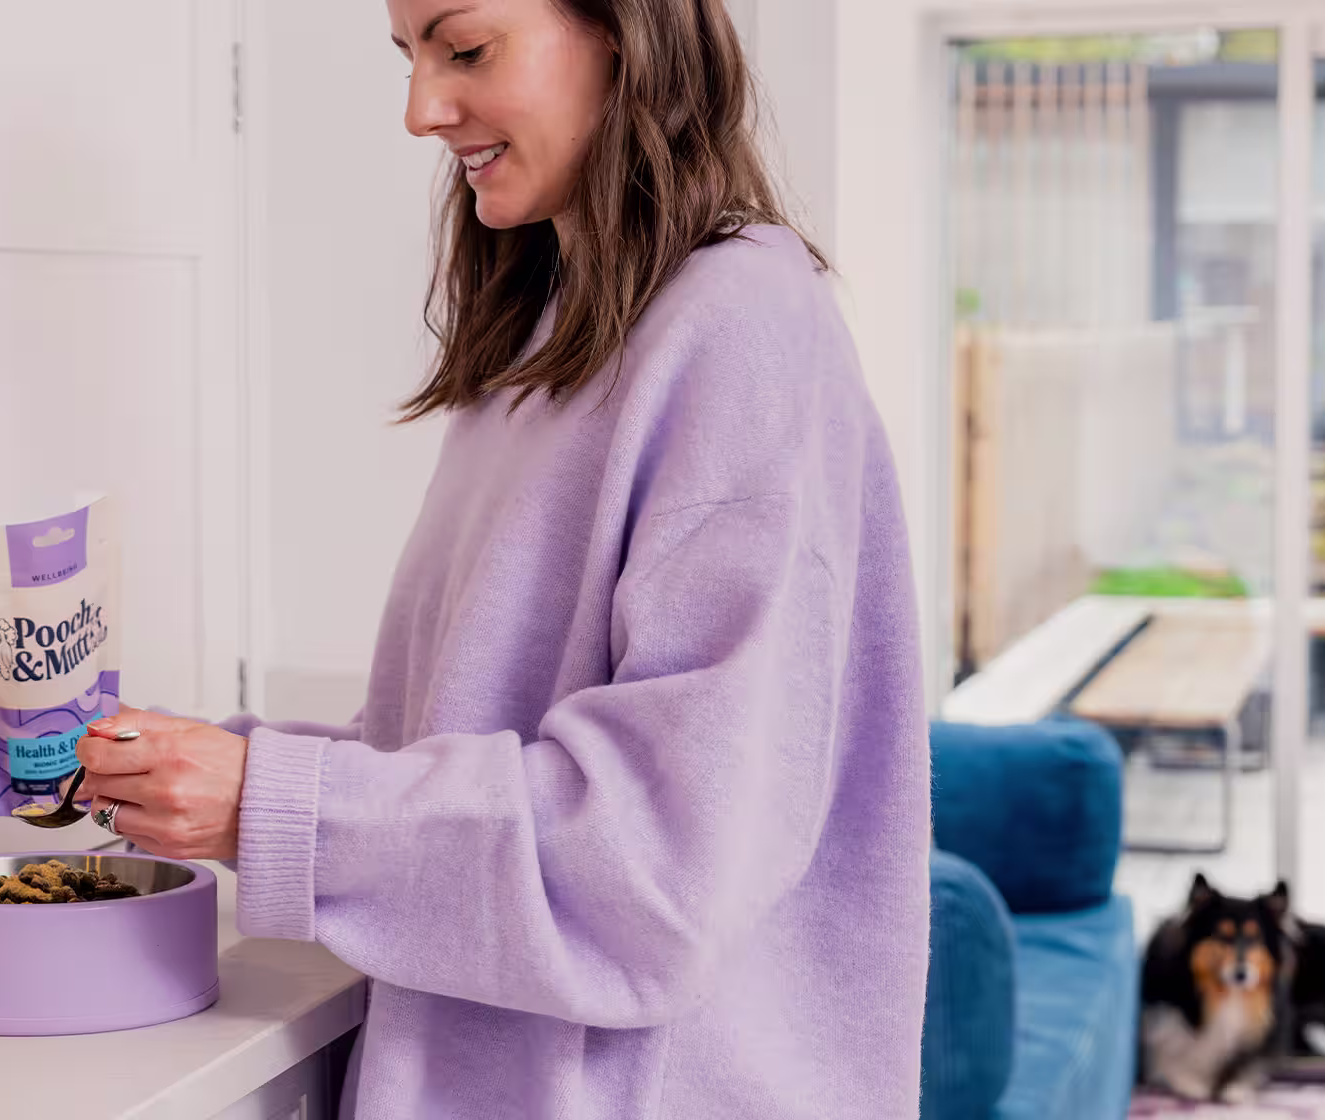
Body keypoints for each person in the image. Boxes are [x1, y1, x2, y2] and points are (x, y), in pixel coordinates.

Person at [72, 0, 931, 1115]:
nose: (421, 110)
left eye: (465, 47)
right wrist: (217, 771)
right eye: (409, 55)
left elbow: (657, 862)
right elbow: (474, 742)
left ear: (627, 34)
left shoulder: (741, 326)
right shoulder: (550, 337)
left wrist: (271, 805)